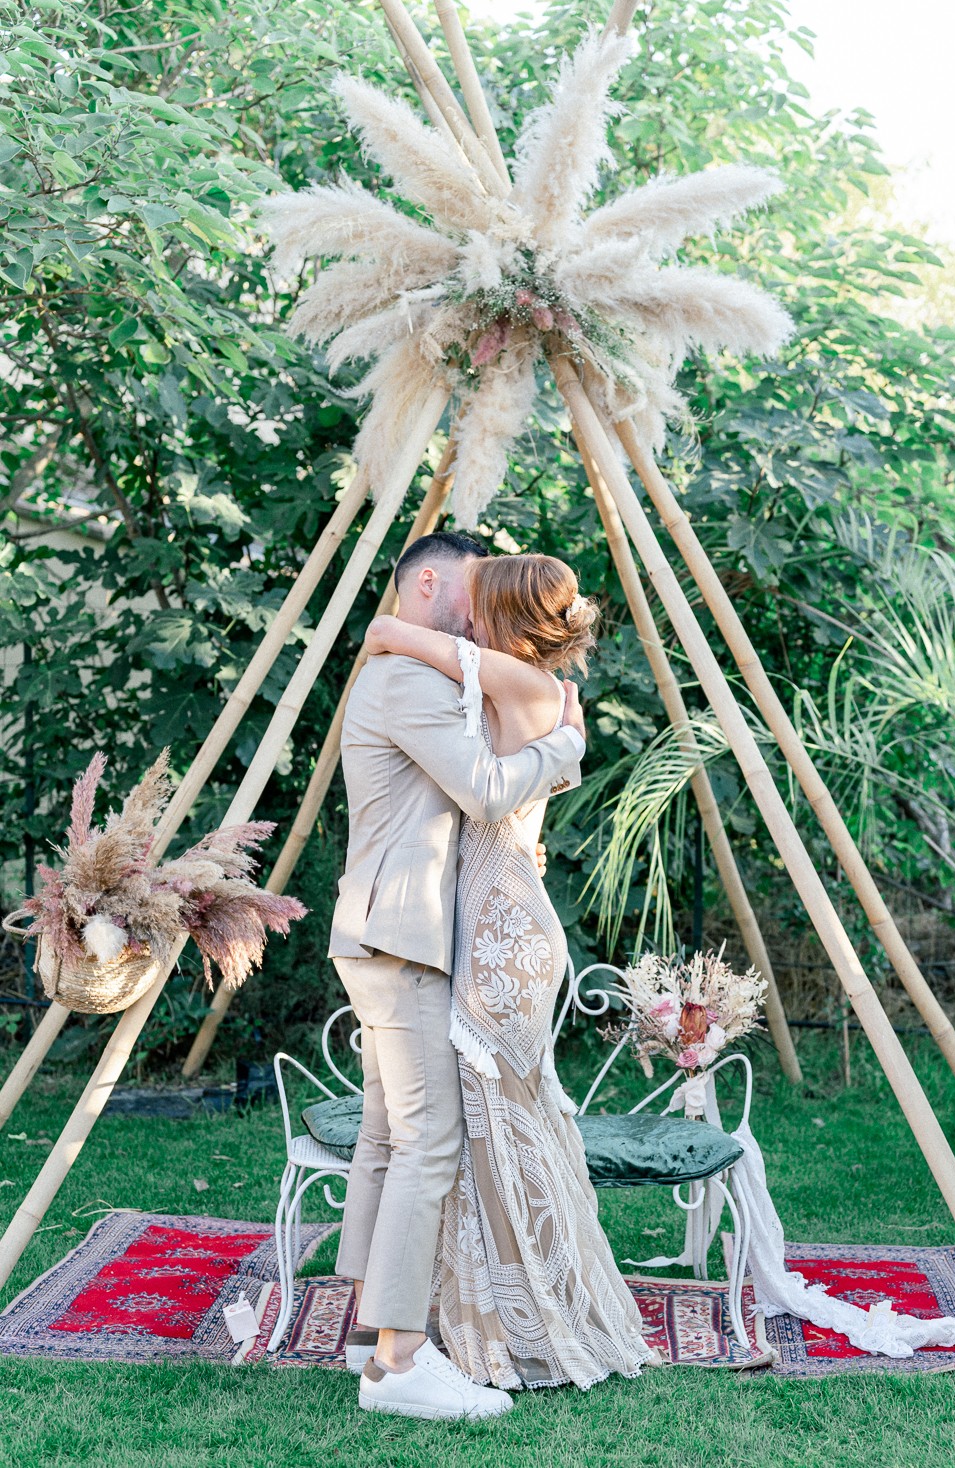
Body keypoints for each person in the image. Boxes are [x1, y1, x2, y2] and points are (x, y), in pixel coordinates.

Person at [364, 552, 656, 1391]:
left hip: (500, 934)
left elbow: (442, 659)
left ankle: (519, 1315)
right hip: (496, 923)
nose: (465, 618)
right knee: (490, 1128)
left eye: (479, 604)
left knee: (489, 1127)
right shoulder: (532, 689)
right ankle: (504, 1302)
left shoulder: (519, 682)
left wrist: (387, 629)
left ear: (506, 620)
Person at [328, 532, 587, 1421]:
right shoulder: (405, 679)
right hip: (400, 941)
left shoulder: (417, 666)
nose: (477, 614)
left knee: (389, 1139)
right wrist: (565, 751)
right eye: (471, 591)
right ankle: (399, 1368)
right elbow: (481, 787)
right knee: (430, 1139)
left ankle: (366, 1337)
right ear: (430, 580)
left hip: (387, 933)